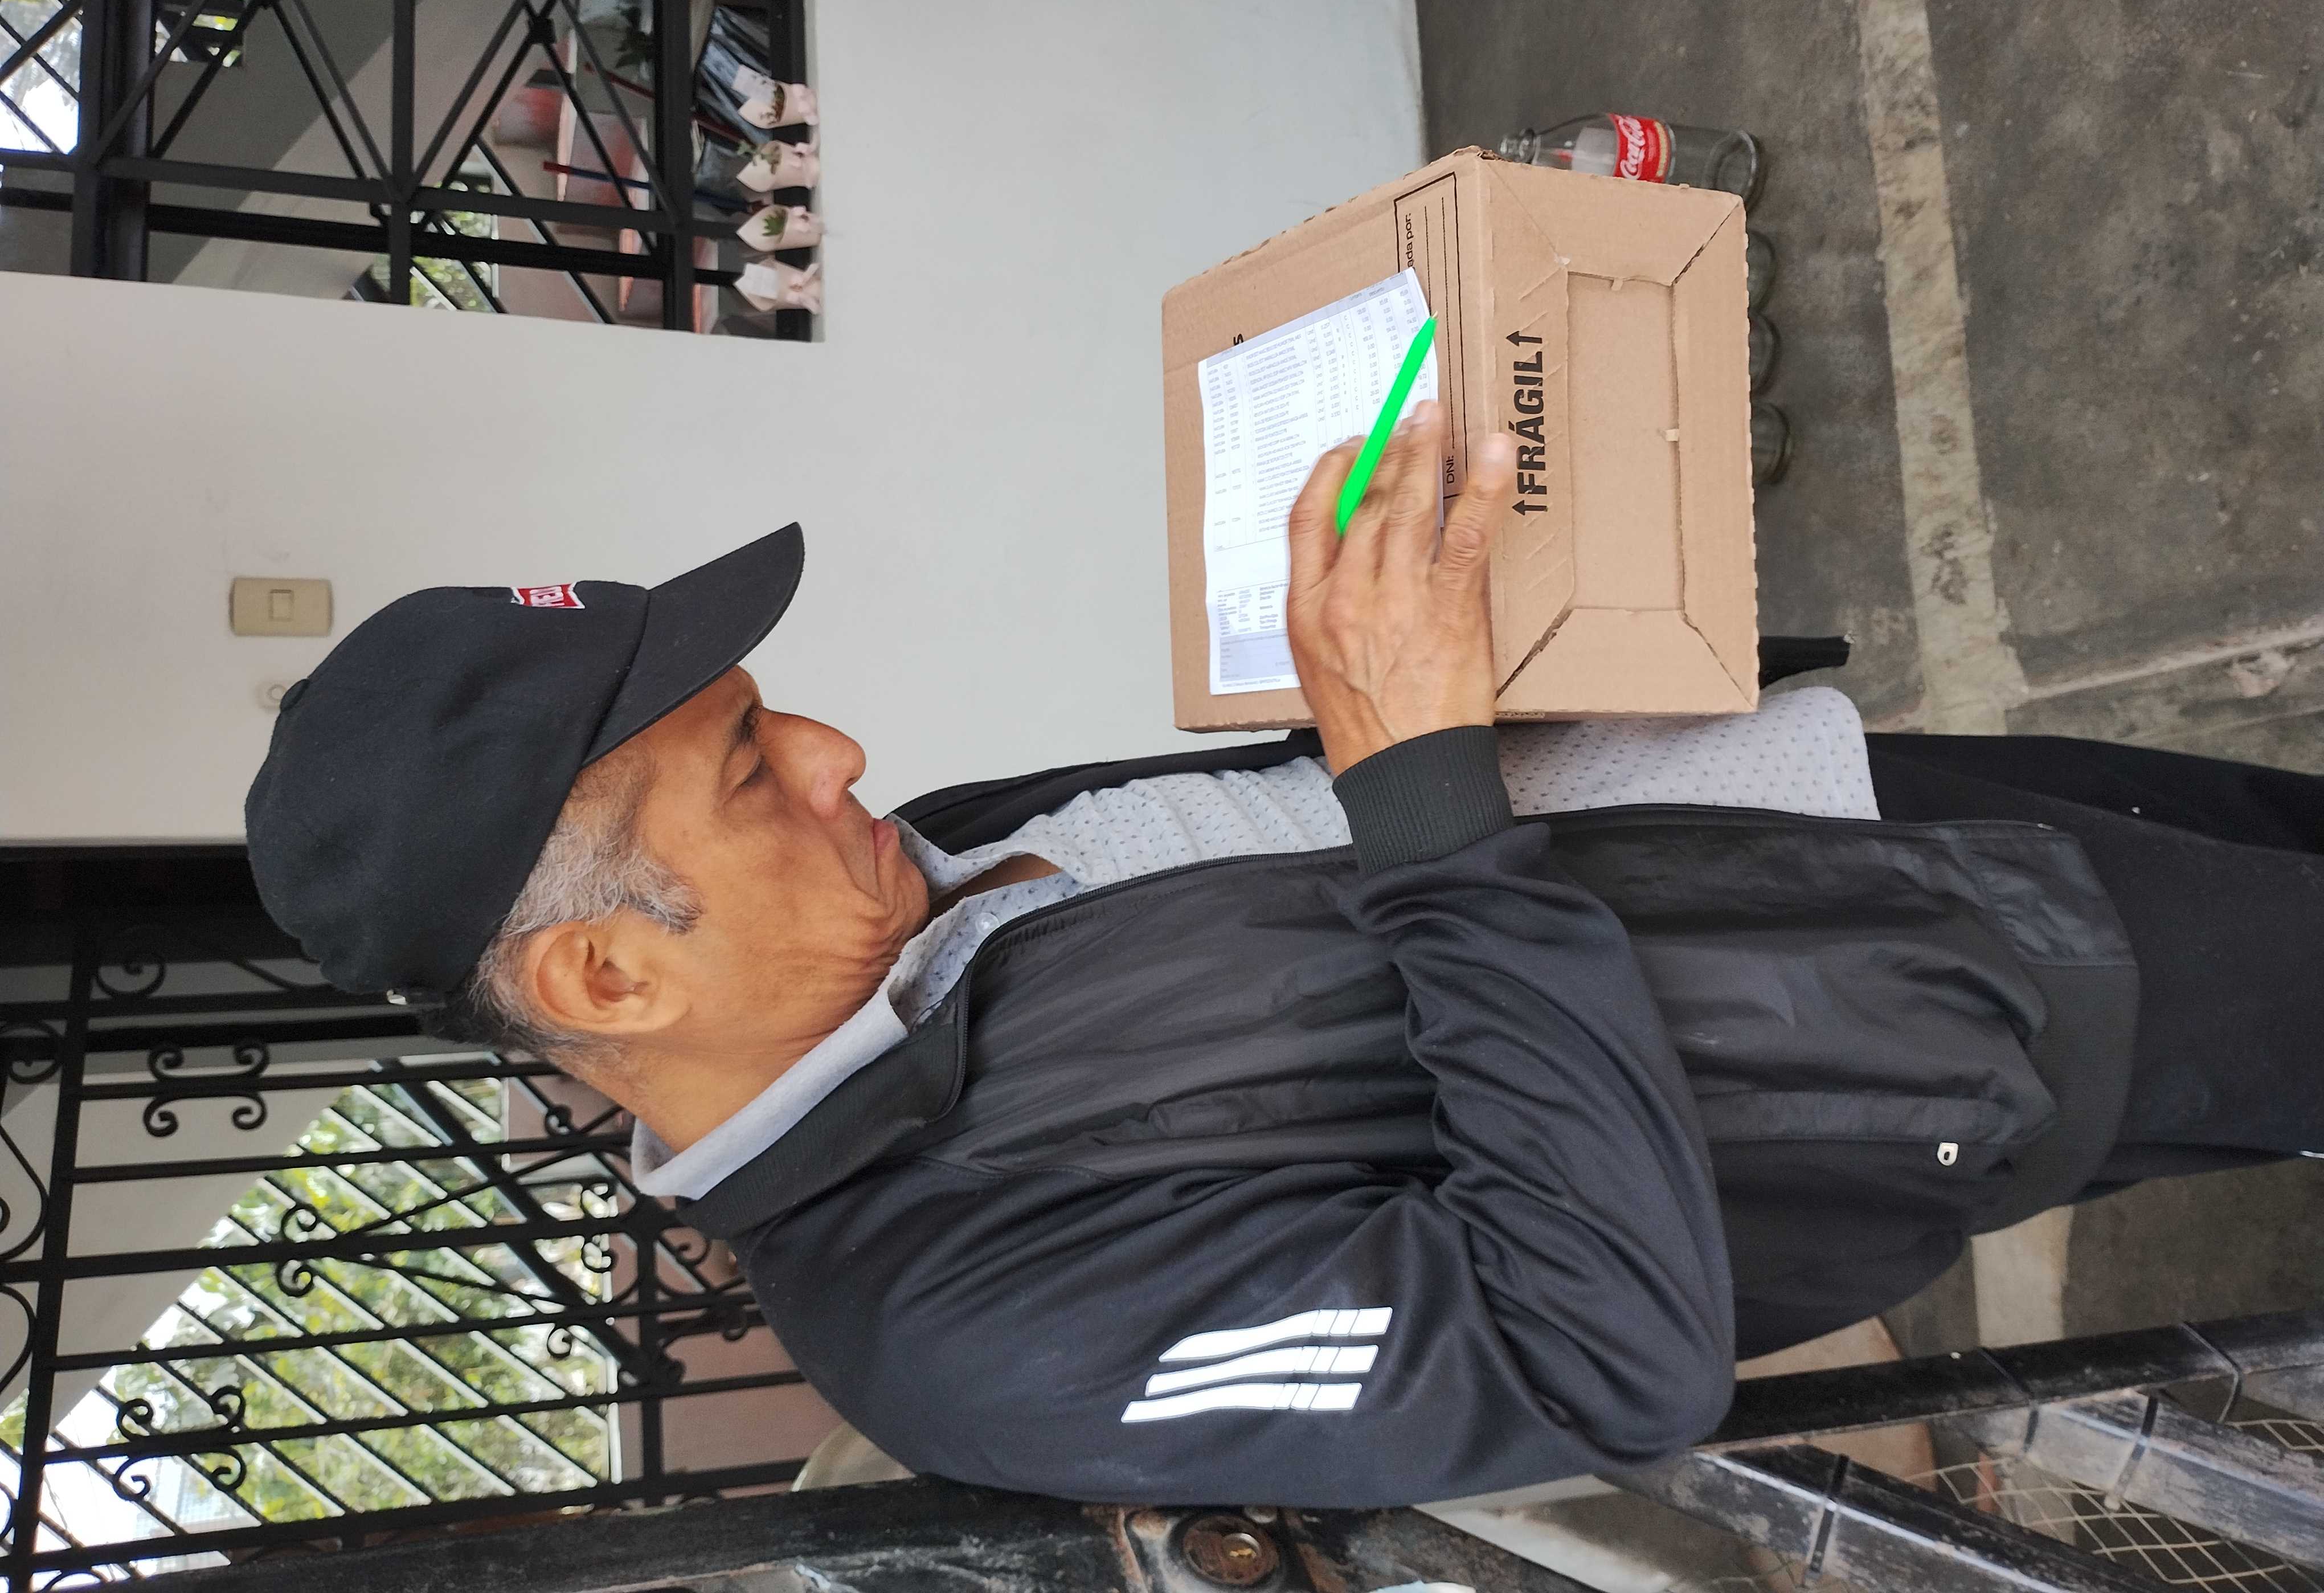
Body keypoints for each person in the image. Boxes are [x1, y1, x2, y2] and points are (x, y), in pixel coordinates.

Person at [244, 408, 2323, 1508]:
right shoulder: (961, 1327)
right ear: (612, 982)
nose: (839, 753)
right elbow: (1590, 1344)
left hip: (1845, 792)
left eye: (773, 713)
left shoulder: (918, 864)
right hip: (1958, 1017)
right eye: (747, 770)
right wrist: (1420, 786)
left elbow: (1299, 816)